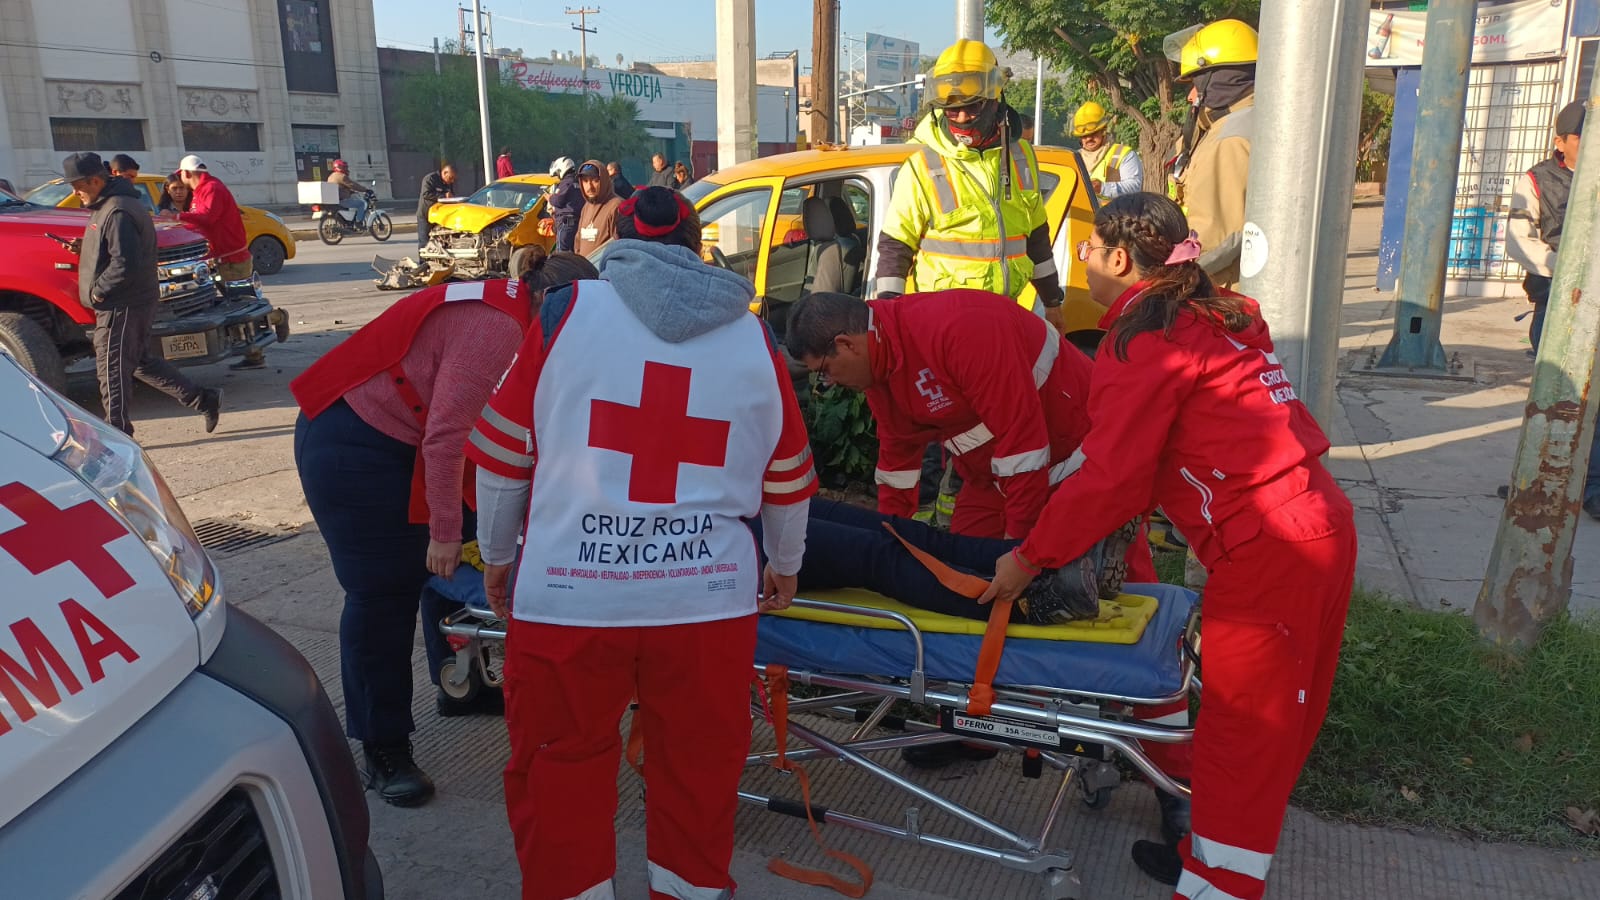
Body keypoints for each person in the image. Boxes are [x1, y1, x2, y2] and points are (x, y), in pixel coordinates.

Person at [980, 192, 1357, 897]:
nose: (1082, 260)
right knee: (1274, 732)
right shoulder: (1217, 316)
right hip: (1321, 523)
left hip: (1270, 550)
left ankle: (1215, 884)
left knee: (1243, 742)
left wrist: (1029, 557)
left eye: (1089, 249)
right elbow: (1172, 449)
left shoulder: (1144, 342)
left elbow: (1113, 478)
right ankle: (1204, 861)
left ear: (1122, 259)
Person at [466, 186, 816, 900]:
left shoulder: (565, 314)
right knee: (699, 770)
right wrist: (785, 566)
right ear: (695, 246)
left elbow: (503, 460)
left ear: (616, 242)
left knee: (558, 768)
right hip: (706, 600)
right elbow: (786, 478)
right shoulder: (752, 336)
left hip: (569, 597)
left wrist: (497, 560)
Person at [292, 246, 600, 807]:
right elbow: (448, 437)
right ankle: (382, 747)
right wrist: (443, 529)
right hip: (352, 441)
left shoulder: (524, 314)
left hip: (410, 438)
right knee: (383, 591)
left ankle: (461, 683)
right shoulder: (498, 330)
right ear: (550, 304)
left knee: (459, 556)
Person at [876, 40, 1067, 330]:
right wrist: (888, 321)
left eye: (972, 107)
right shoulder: (922, 165)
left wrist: (1052, 302)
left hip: (1004, 315)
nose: (962, 118)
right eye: (952, 110)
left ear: (995, 100)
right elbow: (895, 248)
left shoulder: (1021, 156)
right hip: (942, 323)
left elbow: (1037, 238)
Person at [60, 152, 221, 437]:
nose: (75, 193)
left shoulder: (118, 211)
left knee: (111, 368)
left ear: (95, 181)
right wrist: (85, 247)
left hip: (122, 303)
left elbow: (125, 263)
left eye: (77, 186)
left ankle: (118, 434)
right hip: (131, 300)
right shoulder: (111, 205)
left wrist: (98, 292)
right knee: (139, 361)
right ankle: (202, 398)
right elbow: (116, 248)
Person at [1167, 19, 1257, 291]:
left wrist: (1165, 278)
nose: (1190, 96)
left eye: (1195, 83)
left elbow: (1213, 239)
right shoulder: (1239, 124)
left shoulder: (1228, 141)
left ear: (1219, 81)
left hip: (1218, 290)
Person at [1508, 100, 1583, 358]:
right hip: (1554, 292)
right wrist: (1561, 264)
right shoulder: (1536, 180)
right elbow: (1518, 240)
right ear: (1560, 142)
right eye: (1579, 137)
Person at [1074, 101, 1143, 202]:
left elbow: (1134, 187)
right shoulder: (1074, 158)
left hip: (1114, 212)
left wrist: (1102, 188)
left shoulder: (1122, 154)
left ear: (1104, 130)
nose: (1088, 139)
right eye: (1084, 136)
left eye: (1093, 133)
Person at [573, 159, 621, 256]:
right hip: (583, 264)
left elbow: (619, 246)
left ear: (604, 181)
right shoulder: (586, 207)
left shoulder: (616, 206)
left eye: (595, 181)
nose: (589, 187)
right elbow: (578, 242)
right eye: (585, 181)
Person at [416, 162, 456, 252]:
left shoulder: (448, 183)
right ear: (444, 173)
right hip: (426, 215)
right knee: (424, 242)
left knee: (440, 241)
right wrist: (443, 196)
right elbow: (426, 194)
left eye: (454, 179)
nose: (452, 181)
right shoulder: (430, 179)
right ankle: (423, 260)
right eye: (451, 178)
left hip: (440, 216)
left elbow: (451, 196)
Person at [546, 156, 582, 253]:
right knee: (572, 250)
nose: (558, 176)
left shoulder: (566, 183)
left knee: (562, 251)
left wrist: (550, 197)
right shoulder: (578, 182)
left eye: (557, 173)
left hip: (566, 221)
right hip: (576, 221)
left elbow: (558, 201)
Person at [328, 159, 373, 225]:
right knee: (361, 204)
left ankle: (349, 223)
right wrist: (366, 190)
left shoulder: (331, 176)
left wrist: (351, 192)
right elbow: (353, 185)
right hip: (342, 200)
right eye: (344, 167)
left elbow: (340, 187)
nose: (346, 169)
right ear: (340, 167)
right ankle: (358, 222)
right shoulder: (342, 176)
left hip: (334, 200)